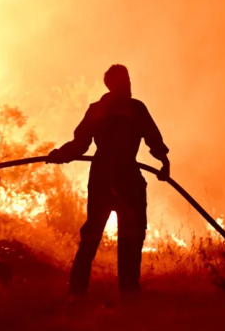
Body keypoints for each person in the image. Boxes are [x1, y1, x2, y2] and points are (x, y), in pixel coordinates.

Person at [47, 64, 170, 296]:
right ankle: (102, 291)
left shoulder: (114, 109)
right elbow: (81, 143)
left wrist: (165, 162)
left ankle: (95, 291)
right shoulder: (125, 109)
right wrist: (60, 155)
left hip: (110, 180)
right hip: (120, 181)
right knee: (110, 237)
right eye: (124, 81)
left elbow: (80, 145)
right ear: (114, 85)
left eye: (129, 80)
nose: (129, 85)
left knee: (114, 238)